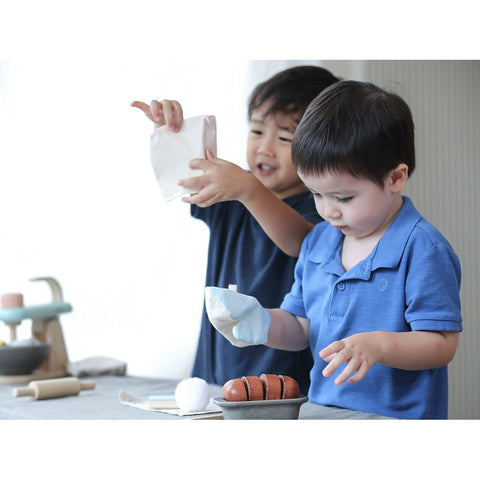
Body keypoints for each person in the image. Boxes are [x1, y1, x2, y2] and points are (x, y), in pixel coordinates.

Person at [205, 80, 463, 419]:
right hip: (325, 412)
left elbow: (441, 344)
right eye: (316, 194)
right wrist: (260, 321)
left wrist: (379, 346)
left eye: (343, 198)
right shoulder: (318, 242)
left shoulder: (422, 249)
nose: (329, 211)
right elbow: (300, 328)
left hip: (397, 420)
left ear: (395, 178)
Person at [132, 66, 340, 393]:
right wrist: (170, 134)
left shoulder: (324, 207)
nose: (265, 148)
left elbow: (301, 241)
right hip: (213, 373)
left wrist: (249, 189)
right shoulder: (235, 192)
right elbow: (183, 174)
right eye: (257, 131)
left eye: (285, 137)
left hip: (279, 380)